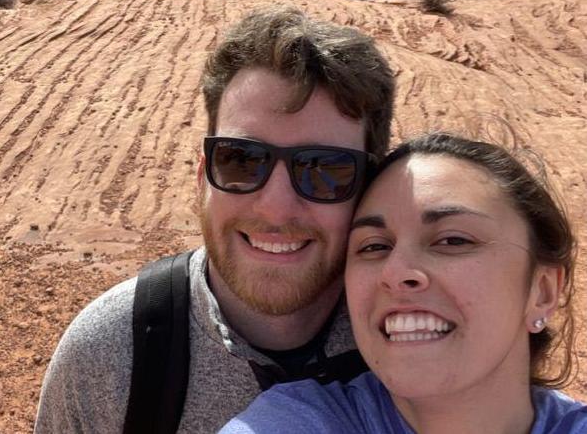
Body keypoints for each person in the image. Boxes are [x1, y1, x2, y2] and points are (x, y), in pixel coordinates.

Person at [34, 5, 396, 434]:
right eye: (241, 160)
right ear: (204, 174)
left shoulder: (414, 334)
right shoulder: (110, 355)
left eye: (325, 169)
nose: (275, 208)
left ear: (371, 186)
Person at [221, 132, 586, 434]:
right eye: (374, 247)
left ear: (542, 291)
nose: (395, 273)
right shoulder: (294, 423)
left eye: (453, 240)